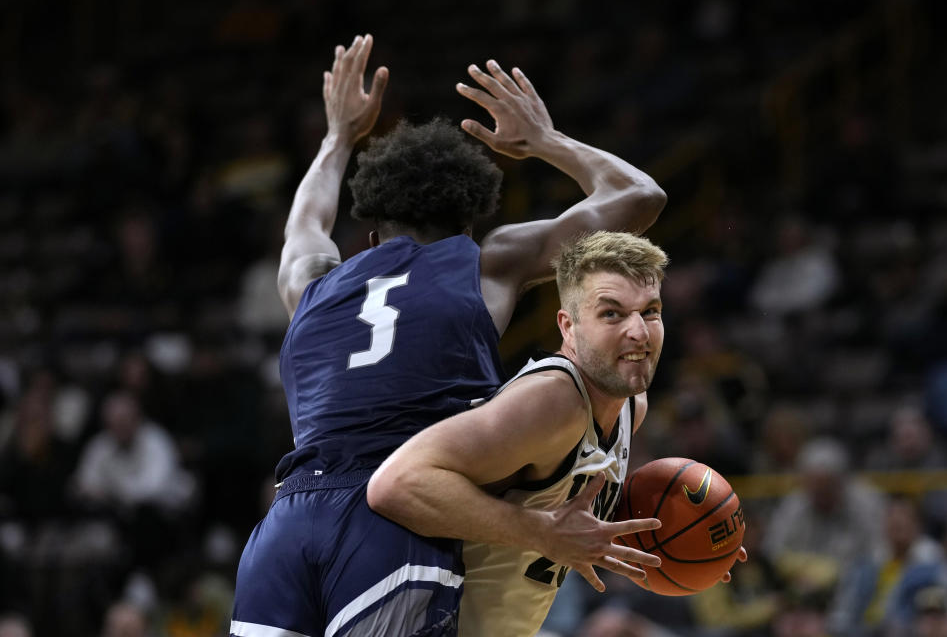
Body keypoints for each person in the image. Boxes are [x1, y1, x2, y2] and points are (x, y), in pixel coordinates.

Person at [231, 33, 668, 637]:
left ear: (372, 236)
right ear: (469, 220)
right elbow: (640, 197)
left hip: (285, 525)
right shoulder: (485, 267)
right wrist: (545, 140)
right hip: (395, 516)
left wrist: (338, 136)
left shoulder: (311, 285)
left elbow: (305, 221)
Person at [369, 232, 738, 636]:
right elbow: (395, 485)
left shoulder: (633, 405)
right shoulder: (553, 402)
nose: (640, 332)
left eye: (650, 311)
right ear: (568, 325)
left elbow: (560, 509)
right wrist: (544, 534)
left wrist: (702, 540)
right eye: (612, 314)